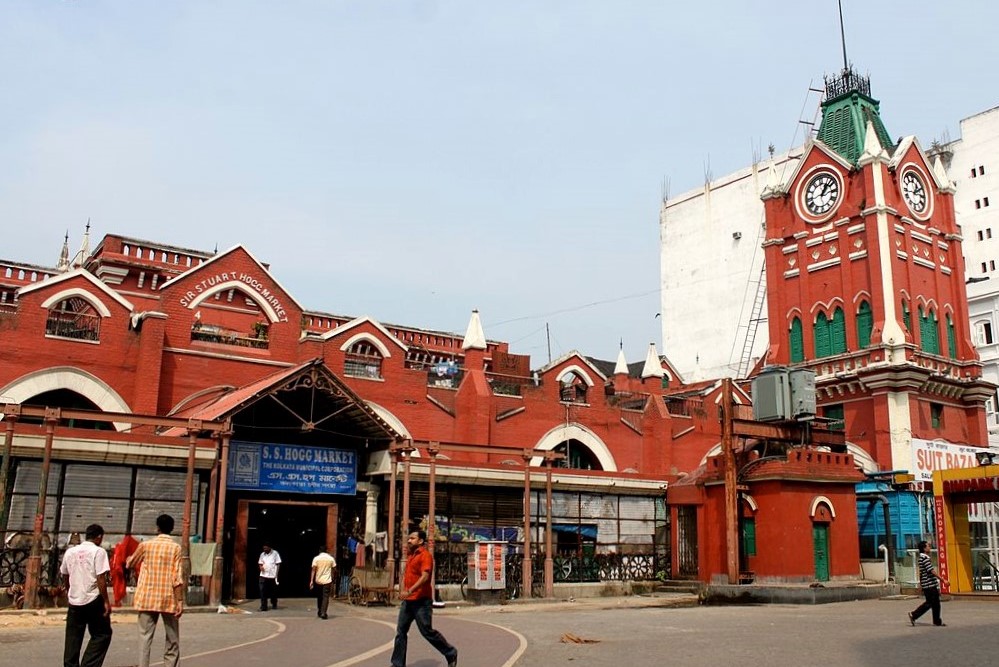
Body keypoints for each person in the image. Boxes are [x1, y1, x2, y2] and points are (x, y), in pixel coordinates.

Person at [391, 530, 457, 667]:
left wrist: (409, 590)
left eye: (412, 538)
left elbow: (425, 577)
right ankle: (397, 664)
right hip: (408, 602)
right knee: (401, 631)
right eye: (409, 538)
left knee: (427, 632)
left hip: (421, 601)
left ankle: (450, 652)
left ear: (420, 541)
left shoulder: (425, 556)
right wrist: (403, 589)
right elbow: (405, 575)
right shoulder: (410, 556)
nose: (409, 541)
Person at [127, 514, 184, 667]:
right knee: (172, 639)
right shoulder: (176, 548)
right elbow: (177, 577)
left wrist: (129, 560)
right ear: (172, 529)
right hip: (168, 598)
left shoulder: (146, 545)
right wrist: (179, 601)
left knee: (145, 638)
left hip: (147, 597)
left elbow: (131, 563)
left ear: (157, 527)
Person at [61, 523, 113, 667]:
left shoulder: (70, 552)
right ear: (99, 537)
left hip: (75, 599)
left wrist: (69, 590)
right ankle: (89, 664)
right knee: (102, 634)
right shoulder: (99, 552)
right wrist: (106, 601)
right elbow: (101, 578)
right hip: (93, 598)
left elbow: (65, 574)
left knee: (73, 637)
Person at [909, 540, 949, 627]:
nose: (929, 547)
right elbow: (931, 571)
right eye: (928, 546)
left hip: (928, 584)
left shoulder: (922, 558)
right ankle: (914, 614)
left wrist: (921, 583)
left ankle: (937, 621)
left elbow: (921, 572)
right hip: (929, 584)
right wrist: (943, 580)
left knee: (935, 603)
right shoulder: (924, 558)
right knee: (930, 603)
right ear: (924, 548)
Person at [309, 545, 336, 619]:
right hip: (327, 580)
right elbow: (334, 569)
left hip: (318, 580)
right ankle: (323, 612)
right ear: (326, 551)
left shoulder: (316, 559)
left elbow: (313, 570)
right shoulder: (331, 559)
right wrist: (333, 577)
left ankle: (320, 610)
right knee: (325, 596)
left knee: (319, 596)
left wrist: (311, 581)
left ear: (319, 551)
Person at [258, 543, 281, 611]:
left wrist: (276, 574)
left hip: (272, 576)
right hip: (263, 575)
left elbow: (278, 563)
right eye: (264, 548)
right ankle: (264, 606)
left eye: (266, 548)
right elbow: (260, 563)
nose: (265, 550)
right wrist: (261, 567)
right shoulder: (262, 554)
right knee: (262, 591)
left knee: (272, 592)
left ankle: (274, 603)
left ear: (269, 547)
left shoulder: (275, 553)